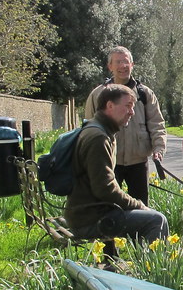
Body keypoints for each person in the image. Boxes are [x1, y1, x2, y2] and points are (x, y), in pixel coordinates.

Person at [65, 83, 169, 245]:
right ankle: (148, 269)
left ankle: (139, 262)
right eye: (128, 106)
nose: (132, 112)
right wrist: (139, 205)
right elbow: (104, 189)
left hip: (85, 213)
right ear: (110, 105)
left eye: (133, 107)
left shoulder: (98, 130)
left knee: (150, 217)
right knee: (157, 220)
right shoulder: (98, 138)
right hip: (90, 220)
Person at [84, 46, 166, 205]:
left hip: (138, 162)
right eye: (118, 62)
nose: (123, 66)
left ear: (132, 64)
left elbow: (157, 124)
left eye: (126, 62)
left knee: (141, 207)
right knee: (108, 206)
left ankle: (138, 231)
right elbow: (89, 126)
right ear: (110, 67)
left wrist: (159, 150)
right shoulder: (98, 94)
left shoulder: (145, 94)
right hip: (109, 161)